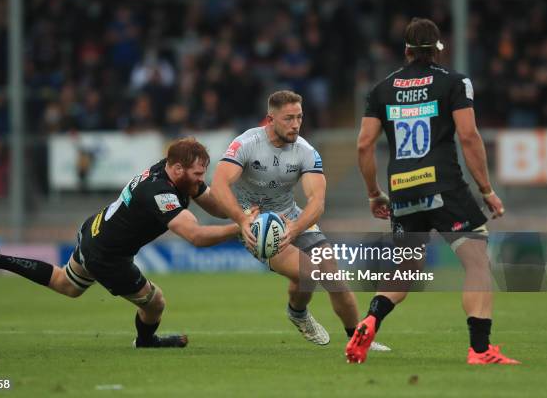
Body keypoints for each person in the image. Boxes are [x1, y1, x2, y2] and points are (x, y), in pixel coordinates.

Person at [0, 138, 247, 348]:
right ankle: (145, 342)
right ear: (178, 169)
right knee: (155, 303)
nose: (201, 180)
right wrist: (238, 229)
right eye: (197, 174)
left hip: (94, 230)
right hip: (108, 255)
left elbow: (211, 203)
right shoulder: (160, 193)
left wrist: (241, 214)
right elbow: (195, 236)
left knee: (66, 284)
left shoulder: (172, 171)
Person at [346, 18, 519, 365]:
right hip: (444, 185)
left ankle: (370, 320)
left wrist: (373, 193)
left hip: (402, 190)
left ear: (406, 51)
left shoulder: (382, 89)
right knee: (477, 262)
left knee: (406, 270)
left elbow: (364, 145)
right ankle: (481, 350)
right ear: (438, 49)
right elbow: (468, 137)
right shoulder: (454, 82)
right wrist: (486, 189)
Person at [212, 90, 389, 351]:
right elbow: (219, 184)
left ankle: (358, 339)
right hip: (257, 225)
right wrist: (241, 219)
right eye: (288, 119)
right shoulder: (246, 143)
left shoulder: (306, 151)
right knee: (308, 274)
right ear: (270, 119)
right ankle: (298, 313)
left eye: (299, 117)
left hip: (293, 218)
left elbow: (317, 202)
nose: (295, 124)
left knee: (334, 277)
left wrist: (295, 227)